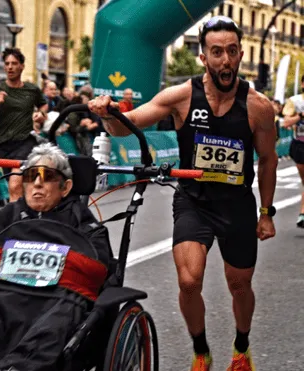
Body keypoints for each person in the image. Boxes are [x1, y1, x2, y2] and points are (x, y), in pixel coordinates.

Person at [88, 16, 277, 371]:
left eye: (232, 51)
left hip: (236, 204)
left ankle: (241, 346)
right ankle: (201, 351)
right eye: (217, 52)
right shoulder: (181, 97)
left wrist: (266, 213)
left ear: (240, 55)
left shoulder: (257, 106)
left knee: (239, 284)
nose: (225, 60)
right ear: (203, 57)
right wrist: (108, 114)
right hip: (194, 201)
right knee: (189, 280)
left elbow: (268, 161)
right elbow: (126, 130)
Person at [0, 143, 112, 371]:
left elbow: (96, 268)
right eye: (31, 176)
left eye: (47, 176)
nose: (37, 183)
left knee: (48, 333)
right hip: (4, 295)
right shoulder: (9, 215)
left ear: (65, 187)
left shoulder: (83, 221)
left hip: (59, 299)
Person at [0, 47, 48, 202]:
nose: (10, 67)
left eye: (14, 63)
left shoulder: (32, 89)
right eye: (7, 63)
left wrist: (40, 114)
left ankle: (15, 223)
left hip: (25, 142)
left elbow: (43, 105)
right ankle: (25, 217)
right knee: (17, 187)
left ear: (22, 66)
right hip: (3, 145)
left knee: (15, 185)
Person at [280, 75, 304, 228]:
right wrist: (301, 115)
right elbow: (285, 123)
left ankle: (302, 213)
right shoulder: (296, 101)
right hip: (300, 145)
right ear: (302, 83)